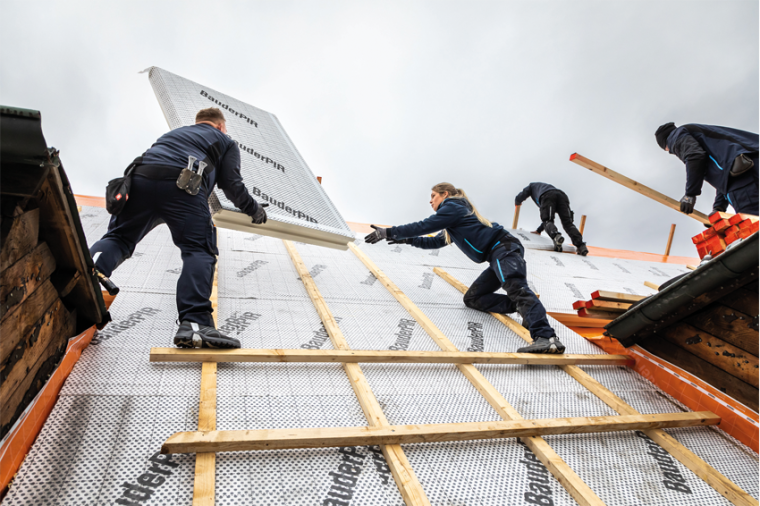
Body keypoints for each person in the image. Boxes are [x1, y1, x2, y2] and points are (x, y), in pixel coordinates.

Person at [90, 108, 267, 349]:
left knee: (119, 237)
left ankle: (88, 272)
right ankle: (196, 324)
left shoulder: (174, 134)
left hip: (139, 181)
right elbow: (231, 183)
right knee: (199, 251)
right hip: (183, 186)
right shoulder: (225, 141)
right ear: (220, 126)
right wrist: (254, 209)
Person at [364, 183, 565, 354]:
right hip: (495, 257)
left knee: (517, 288)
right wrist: (406, 239)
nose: (430, 201)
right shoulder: (453, 221)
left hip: (503, 249)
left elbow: (424, 225)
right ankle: (525, 308)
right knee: (473, 299)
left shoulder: (454, 207)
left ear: (446, 195)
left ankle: (547, 338)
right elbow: (434, 243)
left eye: (433, 196)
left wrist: (389, 232)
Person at [655, 122, 760, 216]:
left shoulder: (675, 137)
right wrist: (719, 207)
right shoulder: (703, 135)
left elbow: (695, 156)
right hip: (752, 166)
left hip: (747, 179)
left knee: (753, 223)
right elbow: (725, 173)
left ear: (665, 145)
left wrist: (690, 194)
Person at [514, 183, 588, 256]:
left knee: (547, 220)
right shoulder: (545, 187)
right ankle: (581, 245)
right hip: (562, 196)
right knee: (568, 223)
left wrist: (517, 201)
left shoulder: (532, 186)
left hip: (547, 195)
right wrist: (539, 230)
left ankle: (556, 237)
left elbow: (525, 192)